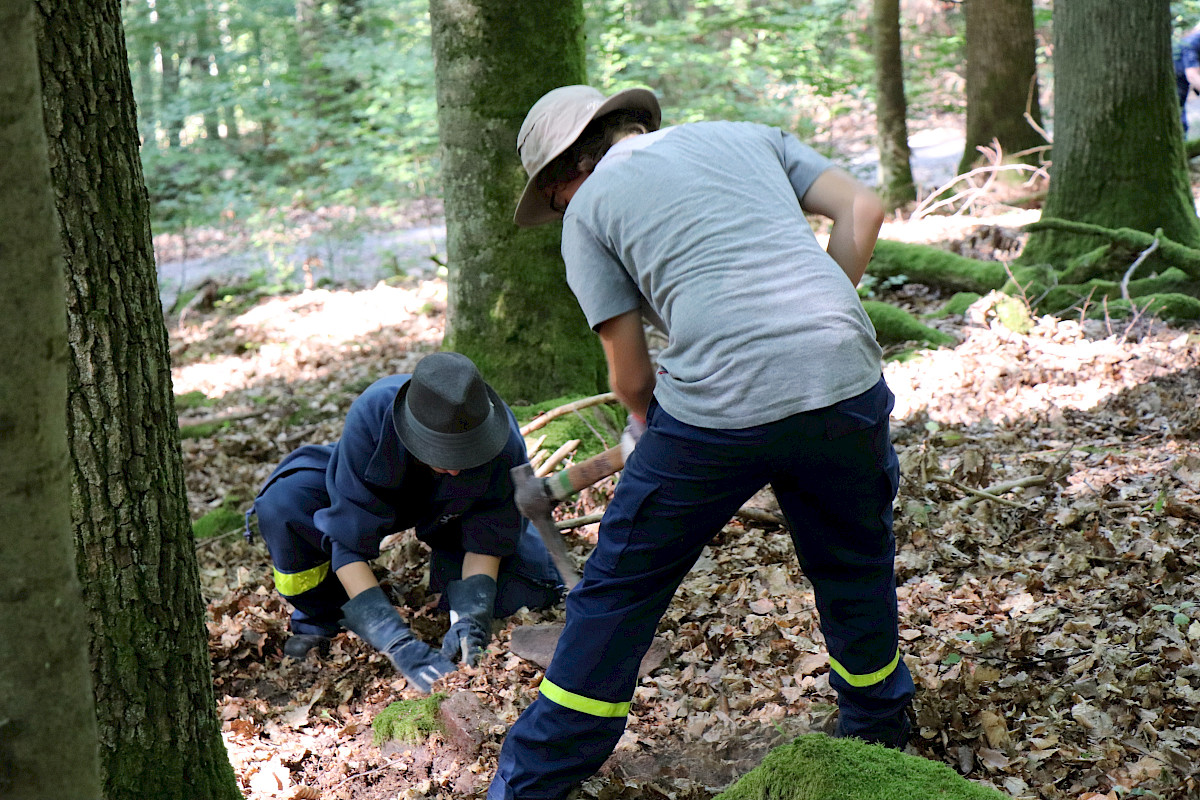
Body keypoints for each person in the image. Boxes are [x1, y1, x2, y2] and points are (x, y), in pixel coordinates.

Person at [489, 85, 916, 799]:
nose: (561, 209)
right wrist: (808, 330)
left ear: (568, 176)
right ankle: (878, 730)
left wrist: (651, 423)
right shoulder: (750, 136)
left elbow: (629, 375)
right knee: (853, 558)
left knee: (620, 591)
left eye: (554, 198)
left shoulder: (589, 210)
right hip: (845, 377)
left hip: (715, 413)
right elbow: (862, 209)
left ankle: (531, 783)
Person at [248, 351, 563, 693]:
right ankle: (316, 618)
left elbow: (488, 535)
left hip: (450, 511)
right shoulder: (372, 415)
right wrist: (395, 640)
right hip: (370, 490)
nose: (455, 467)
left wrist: (472, 618)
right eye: (443, 454)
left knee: (522, 589)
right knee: (283, 506)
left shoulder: (501, 440)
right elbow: (346, 543)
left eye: (464, 454)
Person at [1175, 25, 1200, 136]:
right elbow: (1192, 75)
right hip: (1175, 84)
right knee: (1178, 122)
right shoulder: (1193, 42)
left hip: (1181, 84)